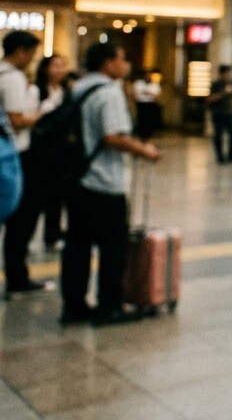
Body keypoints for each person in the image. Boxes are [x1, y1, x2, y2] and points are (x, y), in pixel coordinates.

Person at [61, 42, 161, 326]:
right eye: (122, 58)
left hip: (77, 178)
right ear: (107, 63)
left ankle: (74, 306)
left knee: (77, 245)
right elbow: (112, 137)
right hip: (103, 181)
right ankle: (110, 305)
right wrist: (144, 150)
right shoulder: (108, 91)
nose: (126, 64)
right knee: (113, 246)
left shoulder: (79, 88)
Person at [0, 30, 45, 297]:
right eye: (31, 54)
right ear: (20, 51)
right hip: (13, 156)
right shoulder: (13, 77)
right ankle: (17, 277)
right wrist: (39, 115)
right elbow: (16, 120)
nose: (32, 60)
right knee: (21, 219)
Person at [36, 55, 71, 250]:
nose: (59, 70)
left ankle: (53, 232)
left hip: (62, 149)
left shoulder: (67, 91)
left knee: (58, 195)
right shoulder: (37, 91)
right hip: (42, 149)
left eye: (62, 66)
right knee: (42, 193)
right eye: (55, 66)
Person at [208, 65, 232, 164]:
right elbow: (210, 99)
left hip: (229, 113)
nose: (228, 76)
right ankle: (220, 156)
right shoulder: (215, 85)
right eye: (227, 73)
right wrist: (223, 93)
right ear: (221, 74)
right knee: (218, 135)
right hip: (218, 113)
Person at [131, 70, 162, 140]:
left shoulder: (154, 84)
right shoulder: (138, 83)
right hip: (141, 103)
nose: (148, 77)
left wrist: (147, 93)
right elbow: (135, 93)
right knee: (141, 118)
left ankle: (148, 133)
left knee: (149, 118)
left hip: (150, 104)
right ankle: (141, 133)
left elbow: (156, 95)